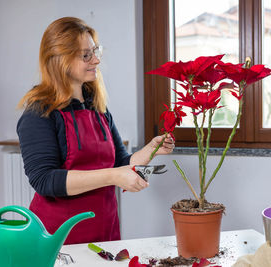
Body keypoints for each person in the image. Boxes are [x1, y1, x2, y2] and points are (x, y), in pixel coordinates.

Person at [16, 17, 174, 245]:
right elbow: (44, 179)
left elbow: (120, 162)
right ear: (60, 59)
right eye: (86, 55)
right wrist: (113, 176)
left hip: (104, 229)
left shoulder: (97, 108)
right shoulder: (39, 113)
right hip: (58, 237)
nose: (96, 60)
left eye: (95, 51)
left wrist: (151, 150)